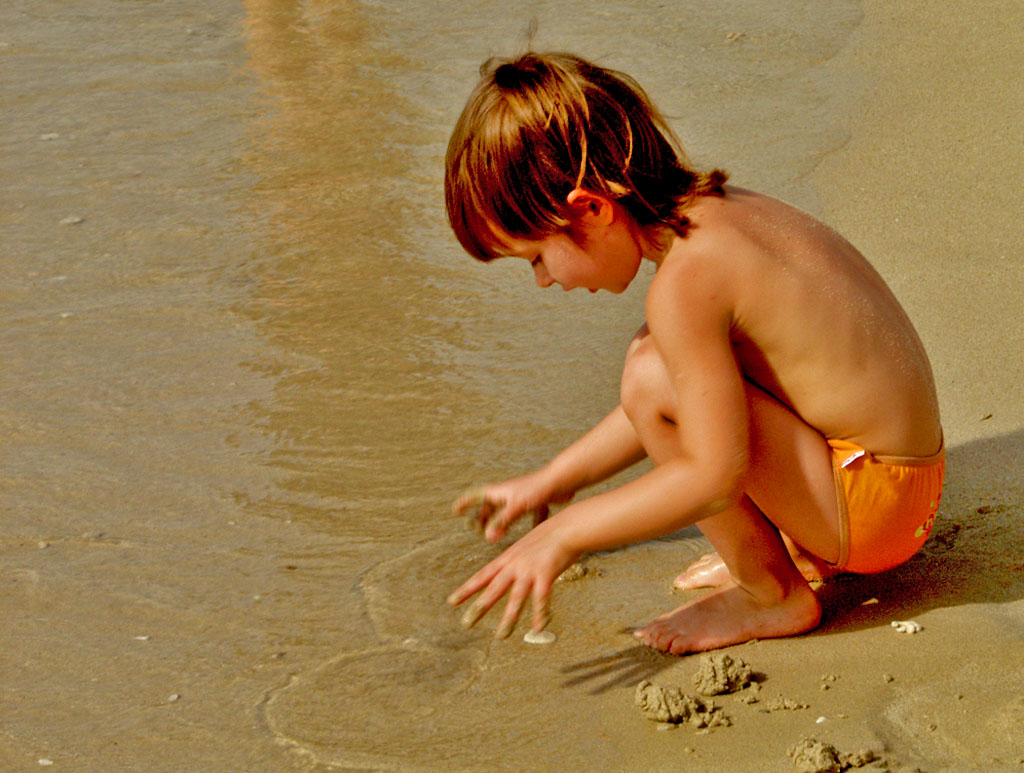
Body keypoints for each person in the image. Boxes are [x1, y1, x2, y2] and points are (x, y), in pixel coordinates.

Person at [443, 51, 944, 654]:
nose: (546, 281)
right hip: (900, 487)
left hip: (874, 513)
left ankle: (772, 594)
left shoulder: (685, 286)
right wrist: (554, 480)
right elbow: (693, 397)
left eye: (537, 258)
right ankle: (796, 553)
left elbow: (712, 474)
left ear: (591, 208)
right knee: (658, 364)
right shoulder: (722, 216)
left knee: (650, 370)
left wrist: (569, 533)